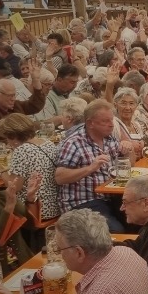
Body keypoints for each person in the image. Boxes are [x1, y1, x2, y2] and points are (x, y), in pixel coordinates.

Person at [54, 99, 124, 231]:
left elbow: (126, 166)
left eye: (111, 120)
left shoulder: (109, 138)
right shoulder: (74, 143)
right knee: (115, 230)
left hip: (110, 197)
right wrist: (90, 168)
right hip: (82, 202)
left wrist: (129, 150)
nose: (111, 125)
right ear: (90, 123)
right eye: (105, 121)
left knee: (139, 220)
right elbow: (60, 177)